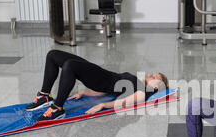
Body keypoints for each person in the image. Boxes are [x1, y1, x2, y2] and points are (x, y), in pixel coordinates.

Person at [26, 50, 169, 121]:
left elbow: (123, 102)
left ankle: (57, 108)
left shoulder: (142, 92)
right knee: (53, 55)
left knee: (70, 65)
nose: (151, 75)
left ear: (156, 87)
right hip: (101, 74)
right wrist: (84, 93)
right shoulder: (136, 82)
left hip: (100, 78)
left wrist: (102, 106)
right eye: (154, 73)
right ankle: (44, 96)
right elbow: (110, 91)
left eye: (155, 77)